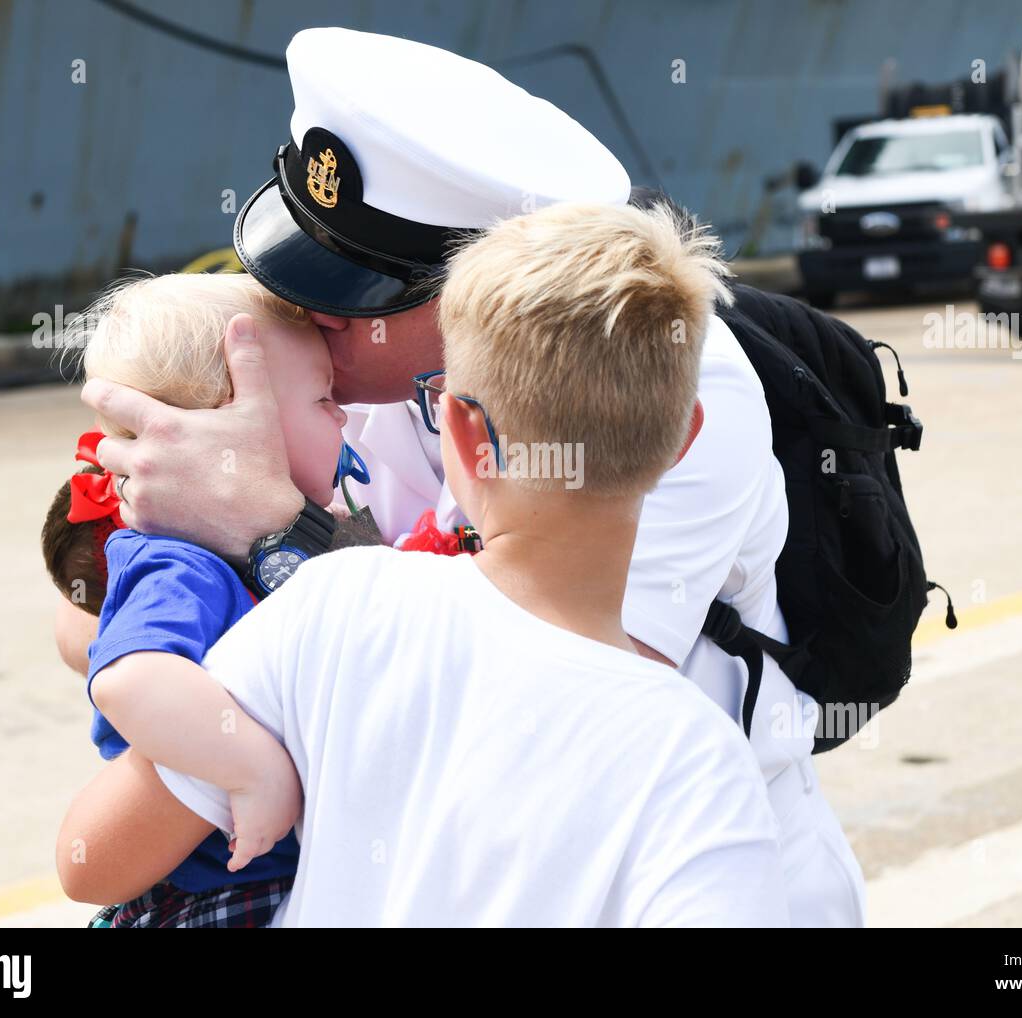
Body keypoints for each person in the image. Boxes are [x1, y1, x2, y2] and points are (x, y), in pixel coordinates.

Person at [68, 27, 866, 925]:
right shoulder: (340, 368)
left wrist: (270, 531)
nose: (307, 313)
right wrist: (144, 552)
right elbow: (84, 621)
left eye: (360, 292)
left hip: (660, 870)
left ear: (484, 286)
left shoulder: (661, 375)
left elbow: (519, 702)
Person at [48, 272, 348, 926]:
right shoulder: (180, 564)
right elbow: (131, 681)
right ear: (225, 428)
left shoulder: (237, 546)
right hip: (214, 894)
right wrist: (253, 773)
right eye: (324, 400)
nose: (346, 416)